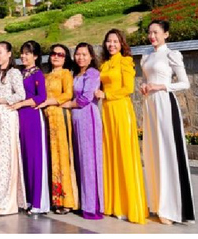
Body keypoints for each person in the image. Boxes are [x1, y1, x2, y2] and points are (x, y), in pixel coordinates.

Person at [140, 20, 195, 225]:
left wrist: (161, 86)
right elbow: (149, 78)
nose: (152, 36)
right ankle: (156, 203)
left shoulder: (172, 54)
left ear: (166, 34)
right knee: (152, 151)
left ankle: (171, 208)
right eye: (150, 32)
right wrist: (145, 86)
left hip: (164, 104)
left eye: (156, 32)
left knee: (167, 151)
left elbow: (185, 83)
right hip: (149, 105)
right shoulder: (146, 57)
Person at [95, 28, 147, 224]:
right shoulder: (105, 64)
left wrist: (106, 95)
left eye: (116, 41)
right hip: (107, 111)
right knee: (111, 155)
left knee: (124, 155)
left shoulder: (125, 62)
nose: (112, 45)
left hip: (120, 109)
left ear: (122, 43)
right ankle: (115, 203)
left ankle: (129, 205)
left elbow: (128, 89)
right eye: (109, 41)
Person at [62, 42, 104, 220]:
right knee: (79, 160)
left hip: (88, 118)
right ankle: (82, 201)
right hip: (76, 119)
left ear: (91, 56)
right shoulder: (76, 74)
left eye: (84, 54)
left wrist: (68, 104)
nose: (80, 57)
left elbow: (86, 98)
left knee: (89, 161)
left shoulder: (92, 73)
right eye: (78, 54)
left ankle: (92, 206)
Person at [0, 41, 26, 215]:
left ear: (9, 54)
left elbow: (21, 94)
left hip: (7, 116)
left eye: (0, 52)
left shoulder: (14, 72)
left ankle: (6, 201)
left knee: (6, 157)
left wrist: (0, 100)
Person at [11, 40, 50, 215]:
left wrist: (21, 104)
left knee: (35, 158)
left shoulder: (37, 74)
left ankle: (38, 201)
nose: (24, 56)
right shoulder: (19, 73)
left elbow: (41, 96)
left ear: (35, 56)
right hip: (19, 118)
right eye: (22, 52)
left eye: (28, 53)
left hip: (32, 117)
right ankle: (26, 198)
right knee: (24, 158)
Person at [38, 44, 78, 214]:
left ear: (65, 58)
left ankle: (66, 200)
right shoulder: (45, 75)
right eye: (53, 54)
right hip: (46, 118)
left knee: (62, 155)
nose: (56, 57)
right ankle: (54, 199)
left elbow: (68, 94)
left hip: (60, 116)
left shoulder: (66, 74)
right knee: (50, 156)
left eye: (60, 55)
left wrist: (49, 101)